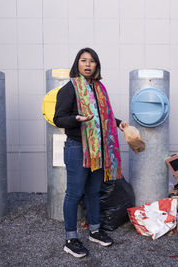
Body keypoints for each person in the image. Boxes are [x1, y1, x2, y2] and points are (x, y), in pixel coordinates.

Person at [53, 47, 127, 258]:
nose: (87, 64)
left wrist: (119, 124)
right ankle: (70, 239)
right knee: (75, 193)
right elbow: (59, 118)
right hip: (78, 147)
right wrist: (76, 119)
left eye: (92, 61)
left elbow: (103, 117)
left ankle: (95, 230)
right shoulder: (70, 89)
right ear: (77, 63)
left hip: (98, 149)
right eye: (83, 60)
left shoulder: (99, 88)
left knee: (94, 192)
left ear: (97, 65)